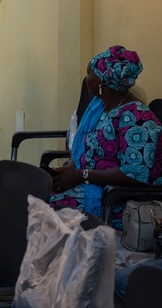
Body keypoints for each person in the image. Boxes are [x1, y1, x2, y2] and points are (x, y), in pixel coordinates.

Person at [49, 46, 162, 227]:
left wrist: (82, 175)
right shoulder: (100, 108)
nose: (86, 79)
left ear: (103, 82)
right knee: (36, 188)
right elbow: (87, 148)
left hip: (119, 200)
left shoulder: (136, 118)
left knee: (44, 206)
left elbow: (135, 174)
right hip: (92, 184)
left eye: (89, 74)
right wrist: (70, 168)